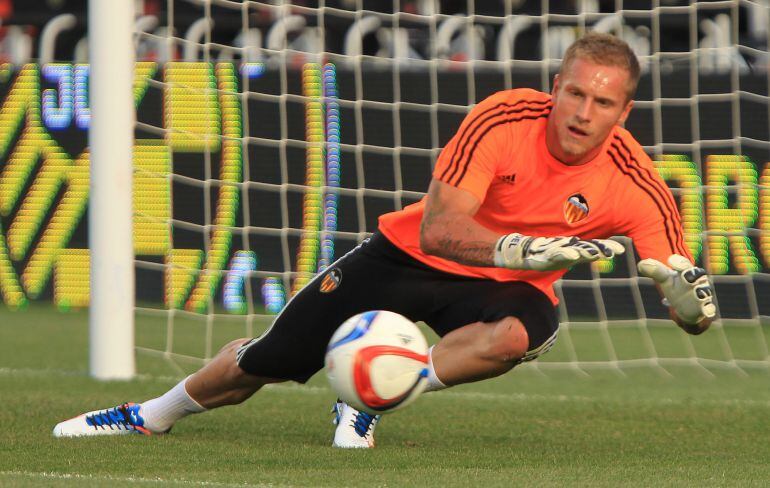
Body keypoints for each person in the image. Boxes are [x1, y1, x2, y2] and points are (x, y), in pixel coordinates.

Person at [53, 33, 716, 448]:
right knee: (268, 359)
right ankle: (148, 414)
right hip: (410, 255)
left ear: (625, 112)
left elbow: (676, 283)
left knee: (520, 334)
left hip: (505, 293)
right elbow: (440, 228)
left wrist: (687, 307)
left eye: (602, 104)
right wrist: (519, 247)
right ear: (555, 89)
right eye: (574, 94)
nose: (582, 113)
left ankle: (371, 395)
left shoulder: (636, 182)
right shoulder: (502, 119)